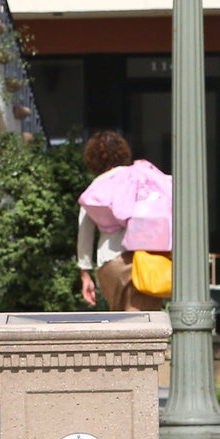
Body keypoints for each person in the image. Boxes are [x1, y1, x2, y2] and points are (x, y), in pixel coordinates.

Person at [76, 131, 163, 313]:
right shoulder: (141, 178)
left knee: (121, 325)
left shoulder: (95, 188)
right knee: (145, 325)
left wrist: (85, 274)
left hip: (109, 262)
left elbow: (85, 233)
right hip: (144, 259)